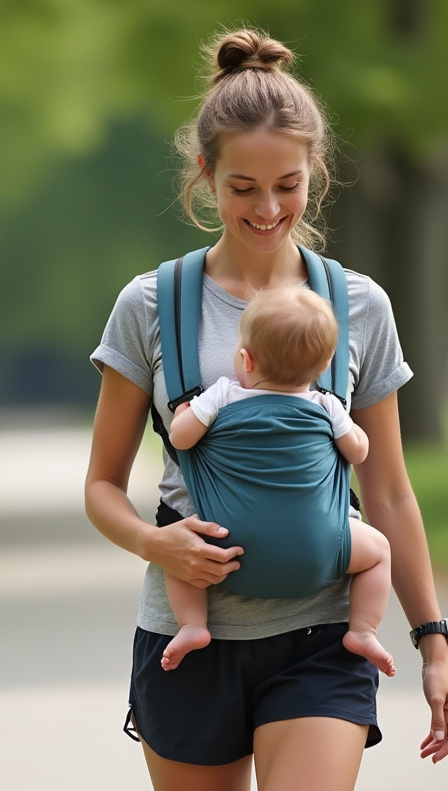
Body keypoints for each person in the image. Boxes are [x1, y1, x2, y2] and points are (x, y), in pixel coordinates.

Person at [84, 27, 448, 790]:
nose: (267, 208)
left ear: (314, 172)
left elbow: (388, 490)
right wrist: (156, 546)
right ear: (205, 174)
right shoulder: (150, 305)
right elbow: (101, 487)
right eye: (243, 188)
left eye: (287, 185)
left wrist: (433, 643)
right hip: (186, 640)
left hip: (322, 638)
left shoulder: (359, 305)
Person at [159, 284, 395, 679]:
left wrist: (186, 410)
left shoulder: (222, 395)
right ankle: (364, 630)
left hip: (228, 550)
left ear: (246, 359)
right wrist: (351, 430)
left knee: (178, 550)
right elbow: (358, 452)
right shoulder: (327, 404)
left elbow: (181, 438)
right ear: (322, 368)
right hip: (322, 551)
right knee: (379, 549)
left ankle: (193, 625)